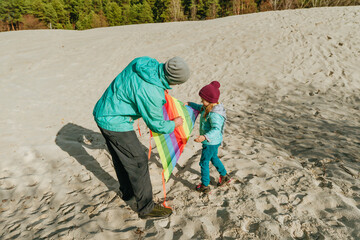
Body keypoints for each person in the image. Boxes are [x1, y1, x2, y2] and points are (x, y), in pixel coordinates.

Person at [93, 56, 190, 219]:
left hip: (104, 109)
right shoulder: (151, 91)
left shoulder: (145, 62)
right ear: (173, 80)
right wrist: (175, 123)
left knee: (120, 157)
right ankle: (146, 208)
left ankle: (128, 193)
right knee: (138, 161)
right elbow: (157, 125)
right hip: (115, 121)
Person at [187, 81, 230, 193]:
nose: (202, 102)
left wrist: (204, 137)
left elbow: (216, 129)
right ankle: (224, 175)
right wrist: (190, 104)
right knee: (214, 157)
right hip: (214, 141)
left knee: (204, 162)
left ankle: (205, 185)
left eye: (203, 100)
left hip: (210, 142)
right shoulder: (209, 107)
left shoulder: (215, 114)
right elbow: (200, 107)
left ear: (210, 100)